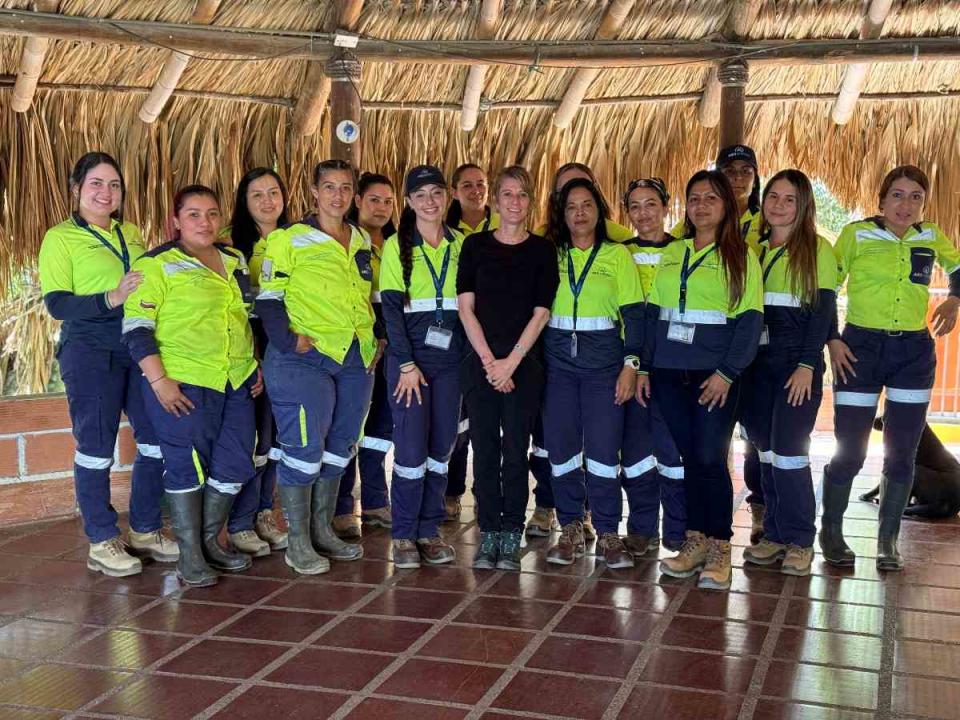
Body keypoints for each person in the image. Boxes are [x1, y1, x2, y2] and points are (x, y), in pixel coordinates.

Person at [38, 152, 175, 578]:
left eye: (114, 184)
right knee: (96, 444)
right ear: (76, 188)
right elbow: (57, 304)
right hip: (90, 350)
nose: (106, 192)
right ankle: (101, 539)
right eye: (96, 183)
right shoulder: (59, 238)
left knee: (154, 437)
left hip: (136, 346)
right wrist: (111, 298)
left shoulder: (129, 232)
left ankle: (145, 530)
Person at [821, 165, 960, 572]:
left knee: (902, 454)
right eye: (897, 195)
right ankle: (831, 532)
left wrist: (954, 298)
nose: (906, 204)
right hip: (860, 348)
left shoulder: (931, 236)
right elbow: (825, 288)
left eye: (915, 196)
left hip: (913, 353)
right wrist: (833, 339)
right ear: (881, 200)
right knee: (849, 452)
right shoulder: (857, 234)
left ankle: (888, 542)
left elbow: (958, 267)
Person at [122, 185, 260, 587]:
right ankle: (190, 556)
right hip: (182, 381)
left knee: (235, 461)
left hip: (235, 378)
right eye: (194, 214)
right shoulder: (156, 265)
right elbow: (136, 329)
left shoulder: (234, 259)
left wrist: (255, 364)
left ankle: (207, 542)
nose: (205, 222)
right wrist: (159, 381)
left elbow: (246, 317)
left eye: (212, 213)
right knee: (187, 465)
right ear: (176, 221)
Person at [642, 170, 763, 590]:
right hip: (669, 373)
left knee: (711, 459)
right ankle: (694, 541)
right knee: (689, 459)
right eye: (694, 198)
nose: (701, 205)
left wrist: (727, 373)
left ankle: (719, 547)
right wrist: (645, 366)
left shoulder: (741, 256)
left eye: (711, 198)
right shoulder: (674, 253)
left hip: (715, 378)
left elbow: (749, 322)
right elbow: (656, 314)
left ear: (726, 205)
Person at [257, 159, 377, 574]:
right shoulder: (289, 239)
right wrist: (290, 341)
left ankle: (323, 530)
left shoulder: (361, 240)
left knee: (342, 444)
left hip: (354, 358)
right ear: (313, 192)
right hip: (303, 359)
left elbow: (364, 297)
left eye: (345, 188)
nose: (337, 196)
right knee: (304, 448)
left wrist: (376, 339)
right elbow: (269, 301)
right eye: (329, 187)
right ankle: (299, 542)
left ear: (354, 195)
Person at [457, 166, 558, 570]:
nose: (515, 202)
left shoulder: (542, 250)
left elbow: (541, 312)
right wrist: (489, 363)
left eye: (522, 195)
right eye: (507, 195)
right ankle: (489, 532)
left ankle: (511, 533)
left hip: (524, 365)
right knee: (484, 450)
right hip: (479, 363)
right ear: (494, 201)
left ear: (530, 202)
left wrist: (511, 363)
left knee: (517, 450)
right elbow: (466, 308)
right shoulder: (475, 247)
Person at [527, 162, 633, 540]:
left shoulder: (617, 255)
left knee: (604, 452)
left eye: (587, 204)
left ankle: (607, 531)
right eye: (571, 207)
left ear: (599, 208)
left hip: (604, 365)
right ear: (561, 212)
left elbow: (633, 316)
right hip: (558, 364)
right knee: (562, 447)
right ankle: (571, 523)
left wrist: (630, 365)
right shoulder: (547, 253)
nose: (580, 213)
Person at [739, 170, 837, 577]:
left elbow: (822, 315)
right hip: (757, 369)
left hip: (795, 368)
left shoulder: (817, 250)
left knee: (791, 455)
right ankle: (776, 534)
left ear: (804, 206)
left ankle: (799, 540)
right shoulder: (755, 249)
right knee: (766, 454)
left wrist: (806, 365)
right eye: (773, 196)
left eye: (789, 199)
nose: (778, 204)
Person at [380, 165, 465, 569]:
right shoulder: (397, 247)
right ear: (409, 202)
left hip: (451, 363)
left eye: (437, 192)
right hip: (409, 363)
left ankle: (429, 530)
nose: (430, 201)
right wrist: (407, 363)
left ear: (446, 198)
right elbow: (393, 313)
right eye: (421, 194)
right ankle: (403, 534)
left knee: (440, 448)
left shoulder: (462, 244)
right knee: (411, 449)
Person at [224, 168, 290, 557]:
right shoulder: (231, 248)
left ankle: (266, 512)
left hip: (291, 351)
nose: (268, 201)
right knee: (256, 440)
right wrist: (255, 358)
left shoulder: (298, 241)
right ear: (243, 202)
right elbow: (236, 314)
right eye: (257, 195)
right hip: (253, 352)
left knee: (280, 442)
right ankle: (240, 522)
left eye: (274, 192)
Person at [619, 178, 686, 555]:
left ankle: (677, 529)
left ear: (665, 207)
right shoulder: (618, 253)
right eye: (635, 206)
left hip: (673, 364)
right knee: (636, 451)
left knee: (672, 453)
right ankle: (642, 528)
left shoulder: (684, 251)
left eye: (651, 205)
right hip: (630, 364)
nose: (643, 214)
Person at [333, 172, 396, 537]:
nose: (381, 207)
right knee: (348, 427)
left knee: (379, 430)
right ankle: (341, 507)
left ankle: (375, 502)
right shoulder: (344, 242)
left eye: (388, 201)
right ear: (357, 201)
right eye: (374, 199)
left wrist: (388, 339)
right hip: (355, 347)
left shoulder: (397, 246)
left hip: (390, 345)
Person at [443, 163, 499, 522]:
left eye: (481, 184)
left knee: (488, 422)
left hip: (497, 335)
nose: (475, 190)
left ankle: (486, 492)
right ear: (454, 191)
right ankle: (451, 492)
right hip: (457, 333)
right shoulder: (445, 230)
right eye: (467, 185)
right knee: (458, 421)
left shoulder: (505, 224)